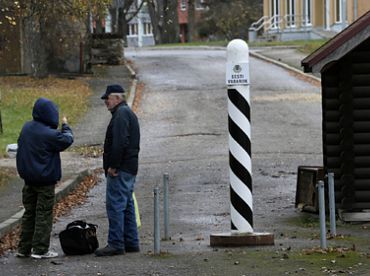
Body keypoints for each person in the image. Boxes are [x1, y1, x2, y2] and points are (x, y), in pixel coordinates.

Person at [15, 97, 73, 259]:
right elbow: (67, 139)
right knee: (43, 214)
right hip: (45, 181)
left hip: (29, 181)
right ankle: (40, 249)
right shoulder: (50, 134)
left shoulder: (27, 128)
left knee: (29, 214)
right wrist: (66, 125)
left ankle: (23, 248)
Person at [95, 84, 140, 257]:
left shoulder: (121, 115)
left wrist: (113, 166)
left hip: (120, 169)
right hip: (129, 167)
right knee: (127, 205)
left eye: (108, 98)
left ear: (117, 98)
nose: (106, 101)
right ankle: (131, 242)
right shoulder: (127, 113)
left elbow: (119, 143)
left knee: (115, 206)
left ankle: (115, 243)